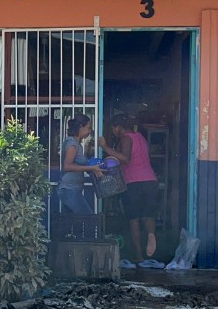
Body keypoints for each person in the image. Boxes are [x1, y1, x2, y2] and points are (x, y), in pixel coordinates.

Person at [98, 115, 161, 266]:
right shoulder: (140, 137)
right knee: (148, 215)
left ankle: (139, 255)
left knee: (134, 219)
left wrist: (105, 147)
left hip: (134, 182)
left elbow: (125, 159)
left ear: (117, 127)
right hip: (150, 180)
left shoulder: (126, 138)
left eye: (113, 129)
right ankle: (151, 235)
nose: (113, 132)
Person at [58, 114, 103, 215]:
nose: (90, 131)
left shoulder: (76, 144)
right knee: (87, 218)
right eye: (88, 128)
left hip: (71, 190)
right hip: (69, 190)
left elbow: (79, 165)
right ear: (80, 127)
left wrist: (93, 168)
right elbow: (67, 166)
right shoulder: (72, 144)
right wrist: (91, 167)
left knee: (70, 223)